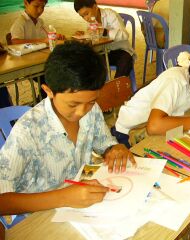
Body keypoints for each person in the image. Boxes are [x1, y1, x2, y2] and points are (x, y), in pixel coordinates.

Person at [0, 41, 135, 231]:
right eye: (73, 104)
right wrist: (64, 197)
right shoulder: (28, 130)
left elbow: (104, 143)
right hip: (39, 218)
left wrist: (114, 149)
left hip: (82, 210)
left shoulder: (91, 110)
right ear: (48, 91)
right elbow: (3, 202)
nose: (82, 111)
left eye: (91, 102)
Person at [10, 0, 64, 100]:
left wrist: (55, 36)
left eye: (42, 7)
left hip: (41, 61)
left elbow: (46, 38)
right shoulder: (20, 22)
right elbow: (15, 42)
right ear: (26, 3)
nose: (40, 10)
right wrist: (42, 40)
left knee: (60, 72)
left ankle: (44, 101)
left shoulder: (40, 21)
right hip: (28, 65)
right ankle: (42, 102)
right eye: (36, 6)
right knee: (52, 79)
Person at [74, 0, 135, 78]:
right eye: (82, 16)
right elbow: (95, 41)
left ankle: (116, 88)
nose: (86, 18)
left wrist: (105, 32)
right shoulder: (91, 21)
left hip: (119, 50)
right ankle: (95, 88)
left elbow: (124, 34)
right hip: (103, 52)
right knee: (86, 61)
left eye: (86, 13)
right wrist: (84, 37)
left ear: (95, 7)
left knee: (126, 61)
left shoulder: (110, 14)